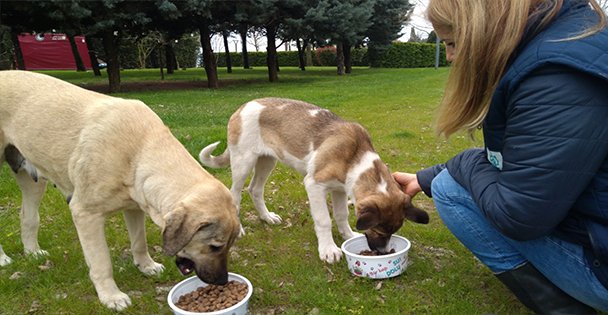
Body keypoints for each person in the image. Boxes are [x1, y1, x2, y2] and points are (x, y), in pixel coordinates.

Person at [393, 0, 608, 313]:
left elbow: (518, 215)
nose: (450, 56)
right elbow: (527, 157)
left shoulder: (555, 74)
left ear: (482, 27)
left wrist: (456, 165)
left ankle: (564, 307)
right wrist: (423, 177)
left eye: (452, 43)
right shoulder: (568, 40)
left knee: (448, 190)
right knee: (444, 181)